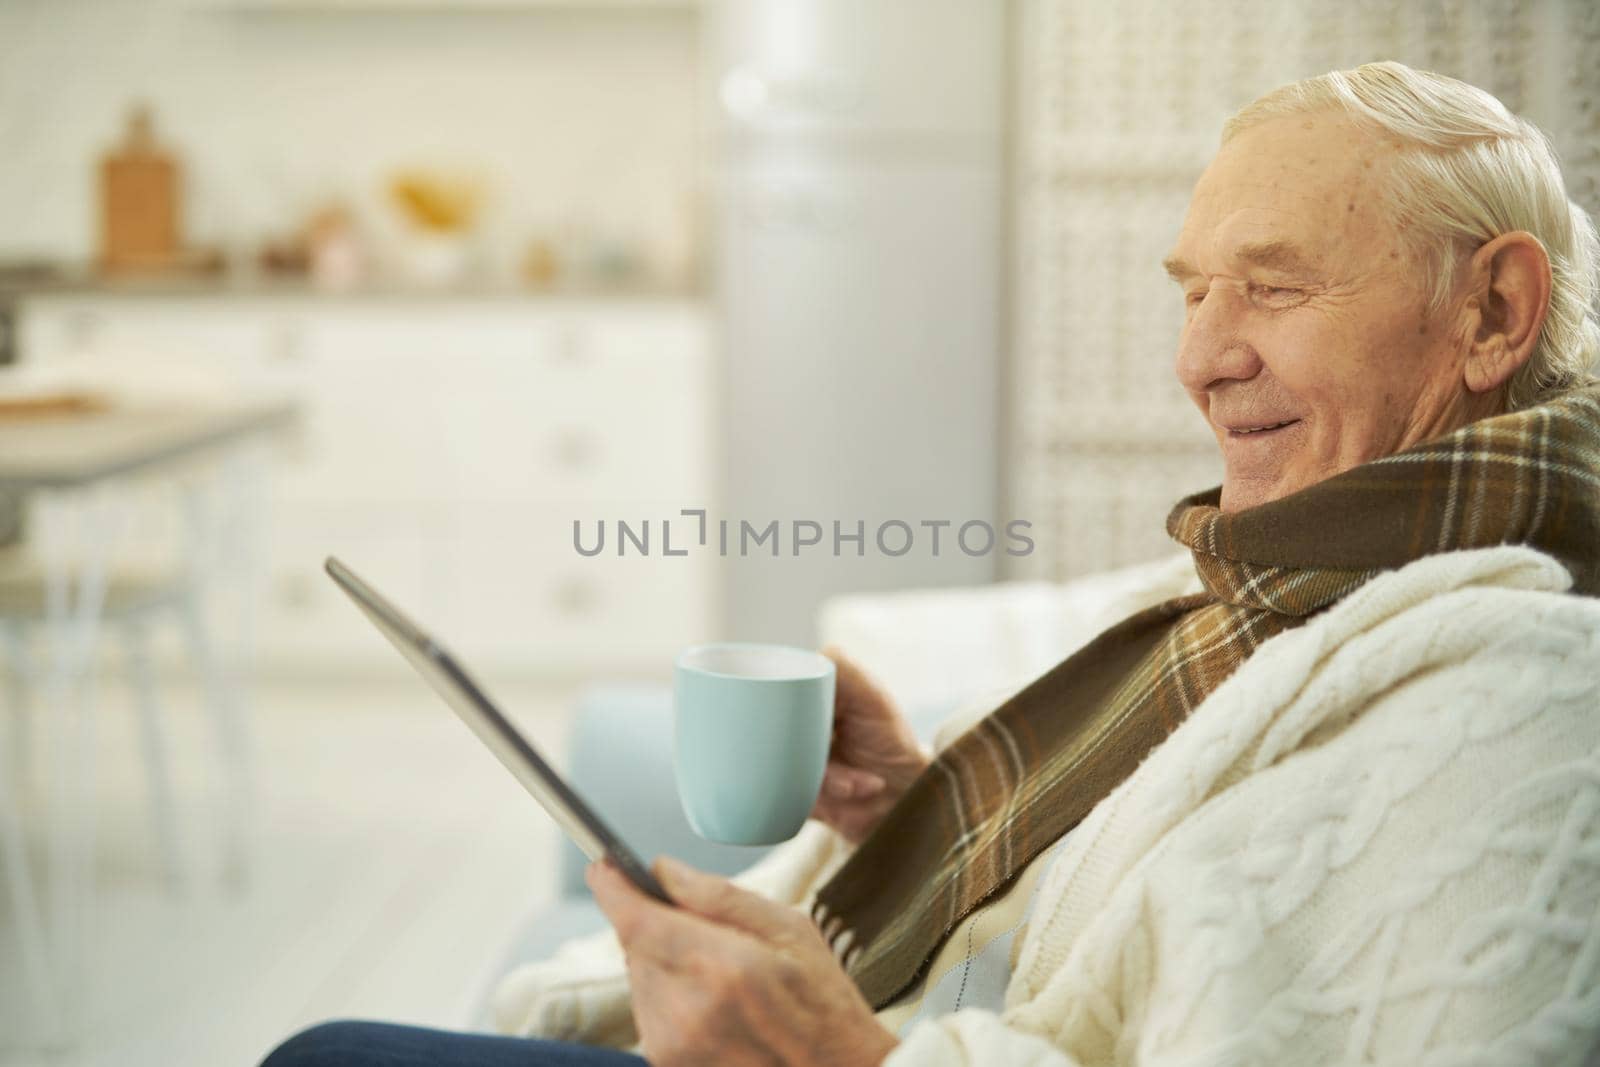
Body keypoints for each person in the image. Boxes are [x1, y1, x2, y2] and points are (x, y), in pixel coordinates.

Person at [261, 60, 1600, 1067]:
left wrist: (846, 1056)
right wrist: (932, 809)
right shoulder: (1297, 581)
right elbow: (1170, 884)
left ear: (1491, 311)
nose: (1200, 359)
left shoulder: (1539, 698)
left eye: (1275, 285)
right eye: (1192, 289)